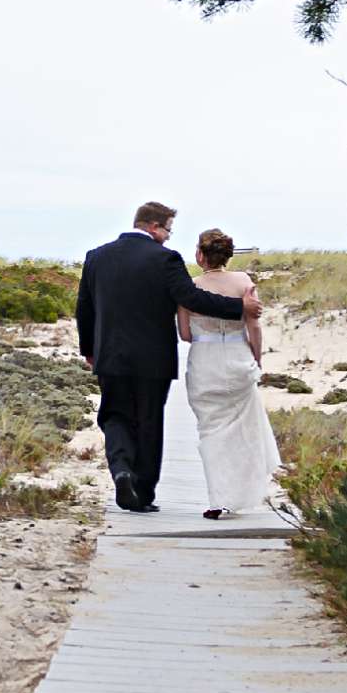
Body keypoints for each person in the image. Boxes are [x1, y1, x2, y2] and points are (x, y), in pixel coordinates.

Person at [75, 202, 261, 512]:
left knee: (115, 415)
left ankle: (121, 470)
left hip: (110, 354)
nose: (169, 237)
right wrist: (238, 308)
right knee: (149, 420)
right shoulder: (165, 259)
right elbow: (191, 297)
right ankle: (143, 492)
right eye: (168, 230)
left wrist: (89, 350)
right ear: (152, 226)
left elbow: (85, 308)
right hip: (153, 358)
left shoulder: (97, 257)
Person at [177, 229, 282, 518]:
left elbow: (185, 334)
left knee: (210, 430)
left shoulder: (191, 287)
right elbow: (255, 326)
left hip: (205, 363)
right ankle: (244, 492)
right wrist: (257, 358)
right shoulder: (243, 282)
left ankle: (217, 498)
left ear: (201, 254)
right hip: (238, 359)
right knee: (242, 430)